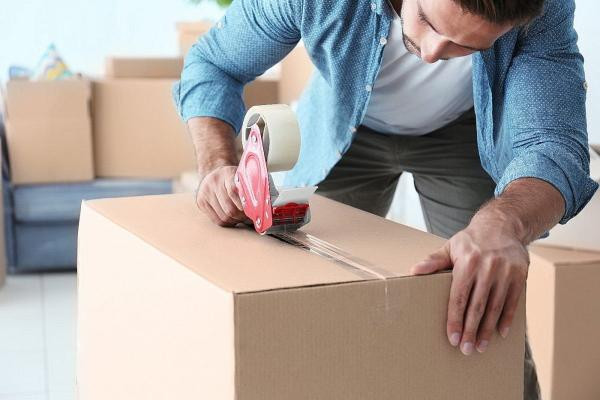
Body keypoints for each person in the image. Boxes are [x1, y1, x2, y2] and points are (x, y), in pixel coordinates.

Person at [173, 0, 598, 398]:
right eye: (427, 21)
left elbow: (553, 145)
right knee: (308, 297)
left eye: (468, 46)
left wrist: (505, 225)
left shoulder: (542, 7)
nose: (430, 54)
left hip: (462, 131)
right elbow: (215, 64)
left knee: (484, 298)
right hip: (344, 126)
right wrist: (217, 164)